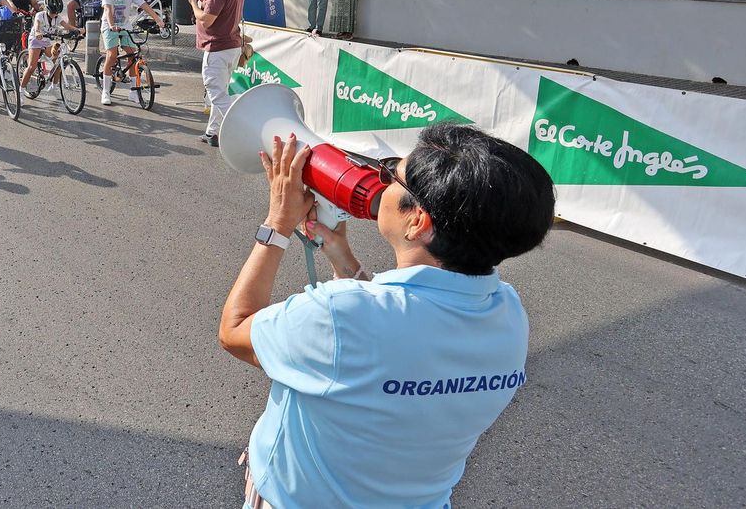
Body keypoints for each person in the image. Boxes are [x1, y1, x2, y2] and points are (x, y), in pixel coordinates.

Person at [218, 124, 554, 509]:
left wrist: (277, 224)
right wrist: (342, 258)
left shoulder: (342, 314)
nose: (382, 183)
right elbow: (398, 338)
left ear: (418, 222)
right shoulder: (508, 313)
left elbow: (235, 328)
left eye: (392, 174)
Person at [190, 0, 243, 147]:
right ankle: (212, 133)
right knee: (220, 92)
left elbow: (207, 18)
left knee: (217, 95)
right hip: (230, 47)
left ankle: (246, 130)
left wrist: (194, 4)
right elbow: (218, 10)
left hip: (217, 48)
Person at [98, 0, 164, 106]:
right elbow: (108, 10)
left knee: (132, 56)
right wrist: (111, 25)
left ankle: (133, 92)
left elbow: (145, 6)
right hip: (109, 26)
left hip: (125, 26)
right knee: (112, 55)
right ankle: (105, 91)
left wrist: (157, 19)